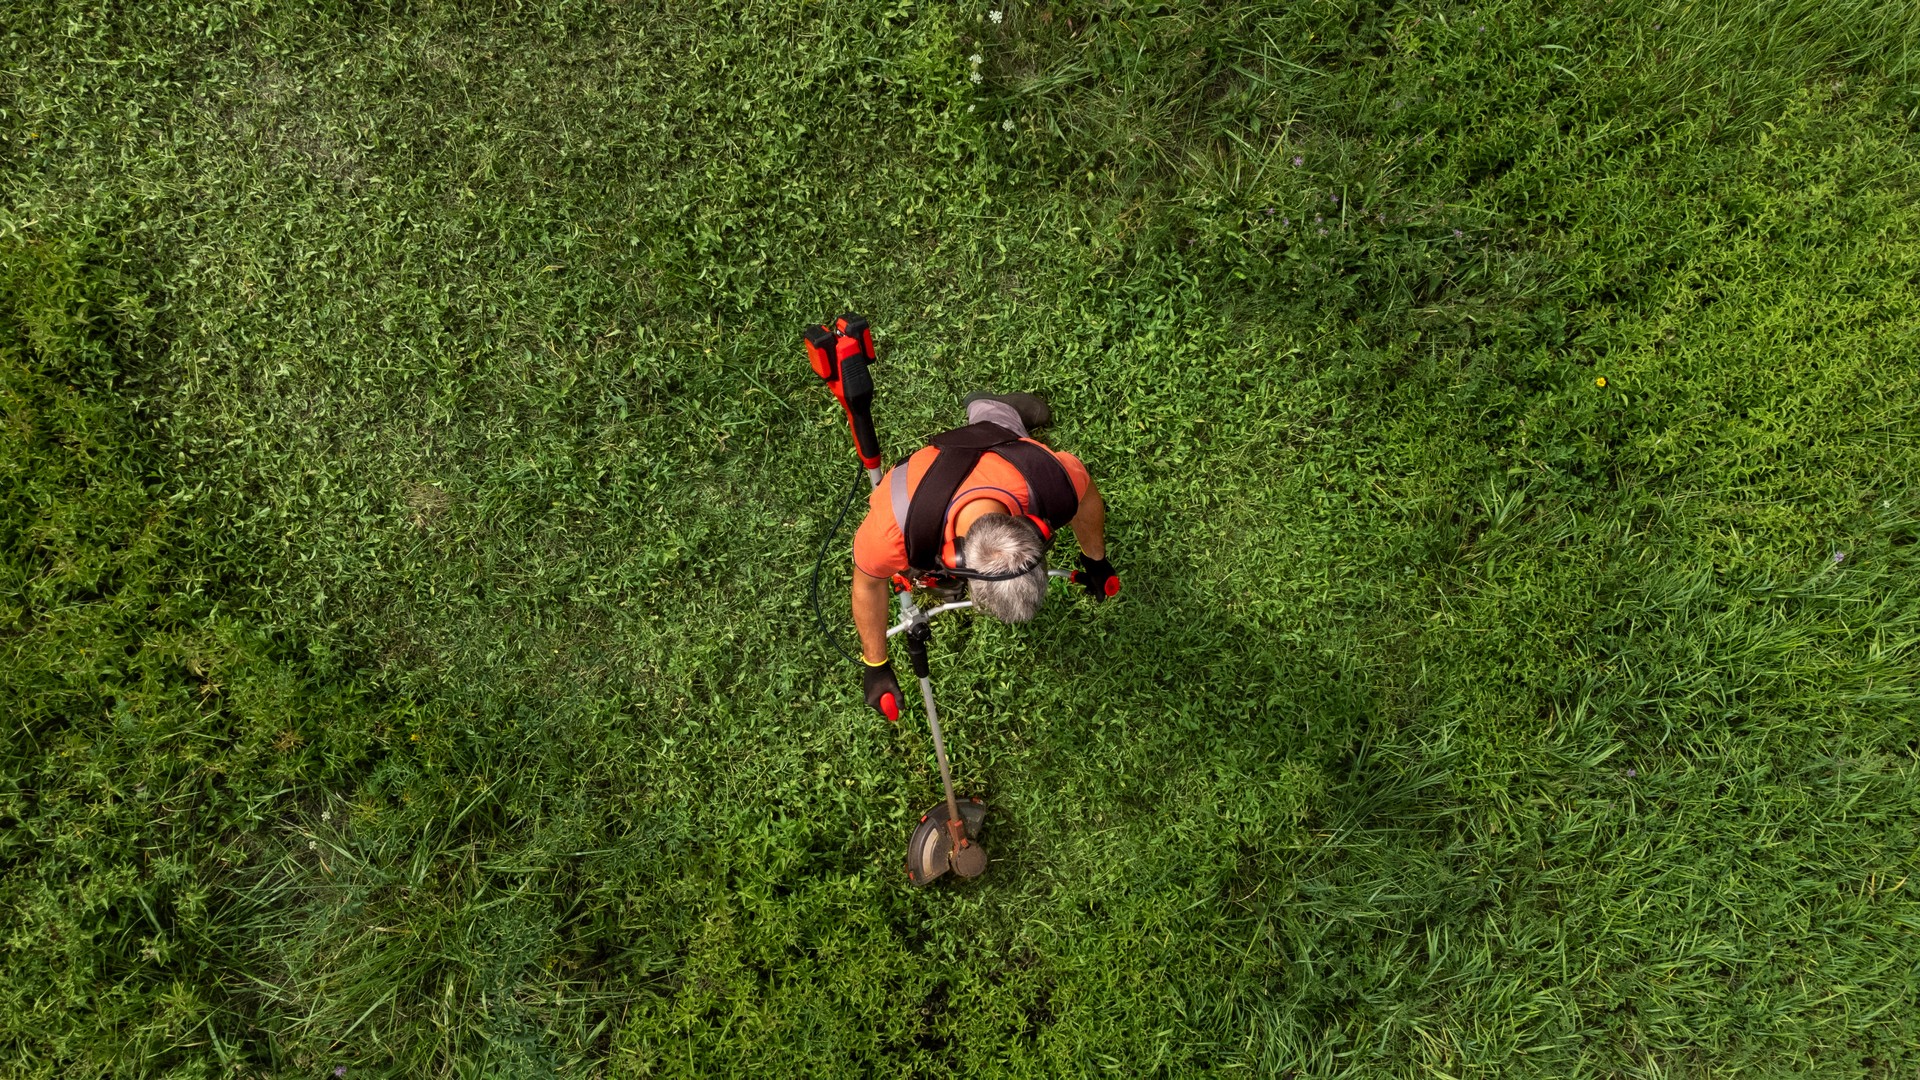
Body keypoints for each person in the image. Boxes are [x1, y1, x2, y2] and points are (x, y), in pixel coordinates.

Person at [851, 392, 1119, 718]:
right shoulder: (893, 530)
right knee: (919, 564)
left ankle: (993, 407)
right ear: (956, 561)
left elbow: (1087, 497)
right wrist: (875, 663)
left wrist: (1096, 560)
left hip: (1003, 450)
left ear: (1035, 531)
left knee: (998, 427)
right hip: (921, 485)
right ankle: (989, 414)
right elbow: (868, 585)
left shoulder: (1049, 479)